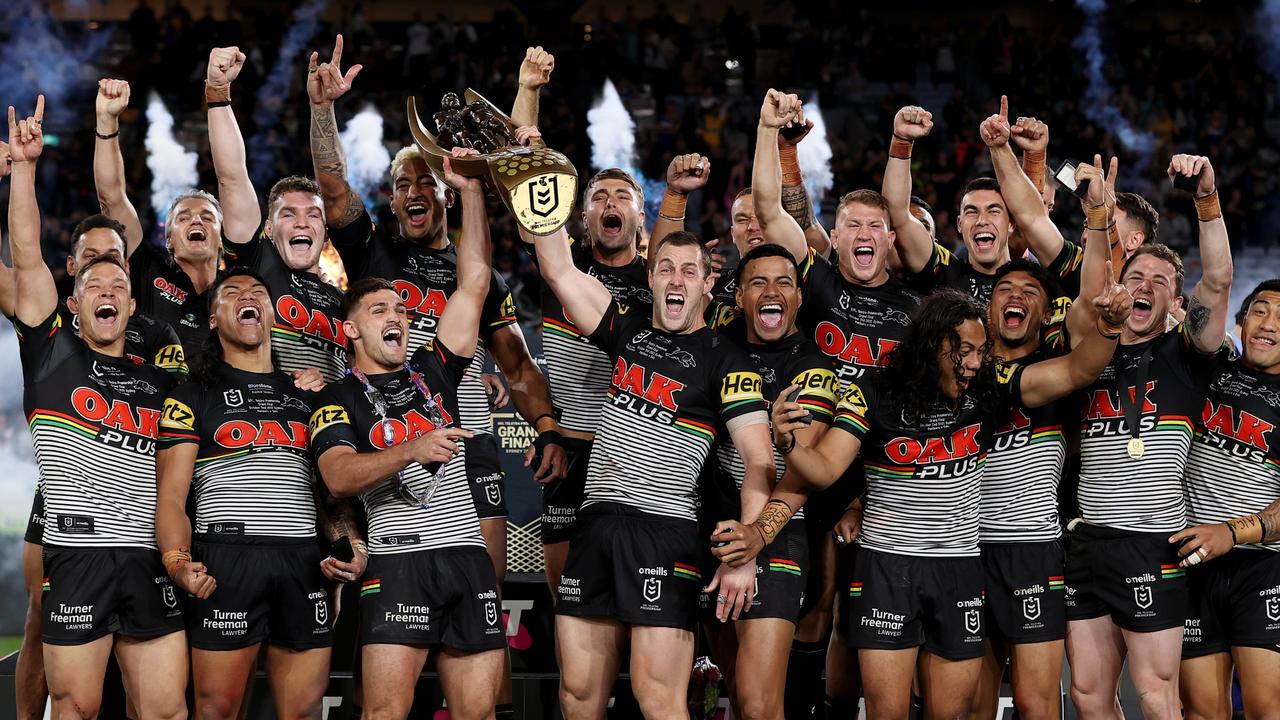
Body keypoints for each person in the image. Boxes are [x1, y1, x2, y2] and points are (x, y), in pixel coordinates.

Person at [713, 273, 1131, 720]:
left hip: (959, 569)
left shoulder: (989, 385)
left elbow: (1077, 370)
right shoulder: (872, 393)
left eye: (980, 351)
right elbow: (824, 470)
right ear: (933, 345)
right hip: (886, 570)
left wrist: (1107, 326)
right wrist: (790, 443)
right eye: (964, 351)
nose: (974, 362)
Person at [308, 39, 566, 596]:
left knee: (483, 594)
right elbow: (331, 190)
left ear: (449, 195)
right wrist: (322, 108)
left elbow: (518, 366)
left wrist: (546, 427)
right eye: (403, 186)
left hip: (468, 439)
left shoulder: (482, 278)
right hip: (389, 432)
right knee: (399, 591)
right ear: (395, 203)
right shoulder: (373, 253)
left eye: (427, 182)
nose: (414, 192)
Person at [525, 201, 773, 717]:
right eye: (665, 268)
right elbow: (557, 268)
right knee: (577, 697)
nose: (675, 279)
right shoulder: (627, 328)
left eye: (688, 270)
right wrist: (538, 182)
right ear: (651, 278)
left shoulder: (727, 360)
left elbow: (757, 460)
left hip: (664, 530)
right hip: (595, 525)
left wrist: (748, 549)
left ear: (707, 285)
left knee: (658, 698)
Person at [8, 94, 187, 720]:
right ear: (73, 303)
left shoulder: (160, 371)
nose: (108, 291)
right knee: (77, 707)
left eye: (119, 285)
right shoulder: (49, 349)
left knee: (164, 711)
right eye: (93, 286)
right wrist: (25, 170)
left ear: (133, 305)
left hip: (147, 557)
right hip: (78, 557)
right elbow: (26, 256)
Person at [310, 154, 505, 720]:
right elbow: (338, 474)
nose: (397, 315)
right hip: (398, 562)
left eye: (400, 307)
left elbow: (473, 282)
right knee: (383, 715)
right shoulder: (336, 396)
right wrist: (412, 449)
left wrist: (469, 190)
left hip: (466, 557)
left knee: (480, 714)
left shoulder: (437, 367)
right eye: (379, 309)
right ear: (351, 328)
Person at [753, 89, 924, 717]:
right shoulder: (817, 278)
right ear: (836, 233)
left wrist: (864, 493)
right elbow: (771, 209)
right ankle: (799, 708)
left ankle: (836, 705)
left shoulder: (914, 309)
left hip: (881, 478)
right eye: (851, 223)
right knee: (807, 599)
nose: (863, 233)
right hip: (802, 459)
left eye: (876, 225)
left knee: (851, 612)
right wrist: (770, 132)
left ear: (890, 239)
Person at [1065, 154, 1233, 720]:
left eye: (1159, 282)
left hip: (1152, 543)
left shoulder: (1185, 354)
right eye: (1135, 276)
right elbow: (1090, 293)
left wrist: (1206, 200)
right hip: (1087, 542)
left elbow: (1218, 278)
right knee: (1088, 697)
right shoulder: (1093, 346)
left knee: (1158, 696)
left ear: (1173, 303)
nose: (1145, 286)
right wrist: (1095, 215)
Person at [154, 268, 358, 719]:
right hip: (227, 557)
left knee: (302, 714)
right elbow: (169, 496)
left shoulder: (312, 396)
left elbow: (332, 493)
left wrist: (352, 545)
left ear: (270, 312)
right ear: (213, 319)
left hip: (304, 561)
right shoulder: (191, 394)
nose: (248, 297)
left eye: (259, 292)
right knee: (216, 711)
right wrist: (177, 562)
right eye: (233, 293)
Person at [702, 244, 838, 720]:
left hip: (775, 534)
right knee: (738, 692)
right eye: (757, 283)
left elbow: (801, 472)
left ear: (800, 296)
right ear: (738, 297)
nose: (771, 292)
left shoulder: (813, 366)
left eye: (783, 282)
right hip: (704, 528)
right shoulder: (714, 345)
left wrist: (755, 538)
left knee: (761, 703)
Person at [1172, 279, 1280, 720]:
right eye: (1260, 310)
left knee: (1265, 708)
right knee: (1201, 711)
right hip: (1193, 561)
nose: (1269, 323)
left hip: (1262, 567)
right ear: (1241, 318)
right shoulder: (1207, 368)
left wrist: (1231, 534)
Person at [883, 105, 1012, 307]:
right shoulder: (947, 272)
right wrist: (902, 139)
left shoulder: (1029, 279)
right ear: (959, 224)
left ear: (1011, 223)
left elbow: (1035, 213)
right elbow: (897, 214)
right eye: (972, 212)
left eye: (993, 211)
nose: (982, 220)